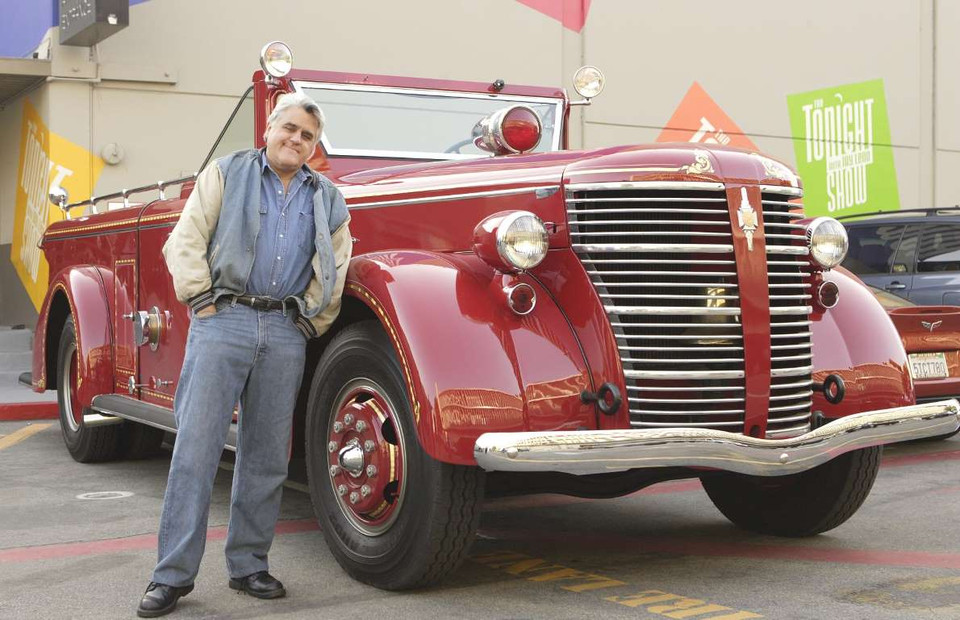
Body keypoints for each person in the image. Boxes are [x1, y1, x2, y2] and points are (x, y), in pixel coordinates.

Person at [137, 92, 352, 617]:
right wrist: (202, 300)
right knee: (195, 451)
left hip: (284, 329)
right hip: (223, 320)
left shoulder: (327, 197)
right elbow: (185, 240)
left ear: (314, 147)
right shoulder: (226, 173)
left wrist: (310, 320)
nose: (295, 140)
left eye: (307, 136)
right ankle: (171, 576)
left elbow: (338, 263)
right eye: (290, 128)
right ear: (269, 129)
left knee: (265, 457)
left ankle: (249, 564)